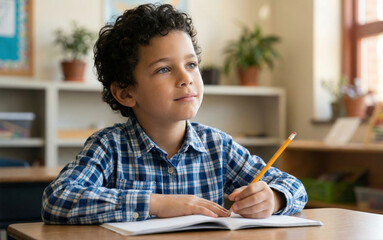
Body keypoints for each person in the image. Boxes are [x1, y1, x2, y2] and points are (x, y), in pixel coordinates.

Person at [42, 3, 307, 224]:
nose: (186, 78)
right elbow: (57, 200)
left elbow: (295, 187)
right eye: (163, 69)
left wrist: (273, 197)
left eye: (191, 64)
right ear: (125, 92)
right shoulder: (108, 147)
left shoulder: (218, 147)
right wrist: (155, 203)